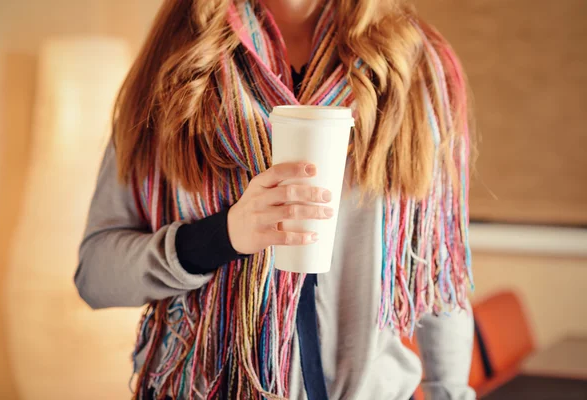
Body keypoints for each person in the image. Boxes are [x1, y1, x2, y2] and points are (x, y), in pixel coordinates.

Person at [74, 0, 476, 399]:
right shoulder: (174, 66)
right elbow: (96, 275)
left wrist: (451, 392)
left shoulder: (416, 65)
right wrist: (221, 236)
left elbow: (439, 269)